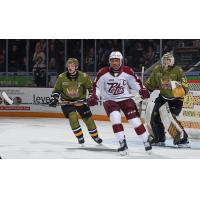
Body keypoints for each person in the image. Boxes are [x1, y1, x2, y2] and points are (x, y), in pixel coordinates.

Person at [88, 51, 152, 154]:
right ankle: (122, 142)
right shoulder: (102, 72)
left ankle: (146, 140)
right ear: (109, 61)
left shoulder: (127, 71)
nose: (114, 63)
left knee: (135, 121)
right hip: (110, 100)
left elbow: (136, 83)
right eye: (112, 60)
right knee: (115, 118)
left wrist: (142, 90)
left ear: (121, 61)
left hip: (126, 99)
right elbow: (97, 87)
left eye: (117, 60)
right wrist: (94, 96)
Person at [49, 58, 103, 145]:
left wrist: (91, 98)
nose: (70, 68)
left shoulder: (84, 76)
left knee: (88, 120)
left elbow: (91, 89)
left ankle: (95, 136)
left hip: (80, 102)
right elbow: (56, 90)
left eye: (72, 66)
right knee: (72, 117)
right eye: (68, 66)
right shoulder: (61, 77)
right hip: (66, 102)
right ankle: (80, 136)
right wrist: (54, 99)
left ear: (76, 67)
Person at [144, 52, 189, 147]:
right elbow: (150, 85)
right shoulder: (157, 69)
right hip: (162, 97)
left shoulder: (178, 70)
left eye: (168, 60)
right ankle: (159, 138)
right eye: (165, 60)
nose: (166, 62)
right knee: (153, 118)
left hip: (176, 99)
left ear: (172, 61)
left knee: (170, 117)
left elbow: (186, 88)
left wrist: (176, 87)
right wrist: (143, 92)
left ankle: (183, 139)